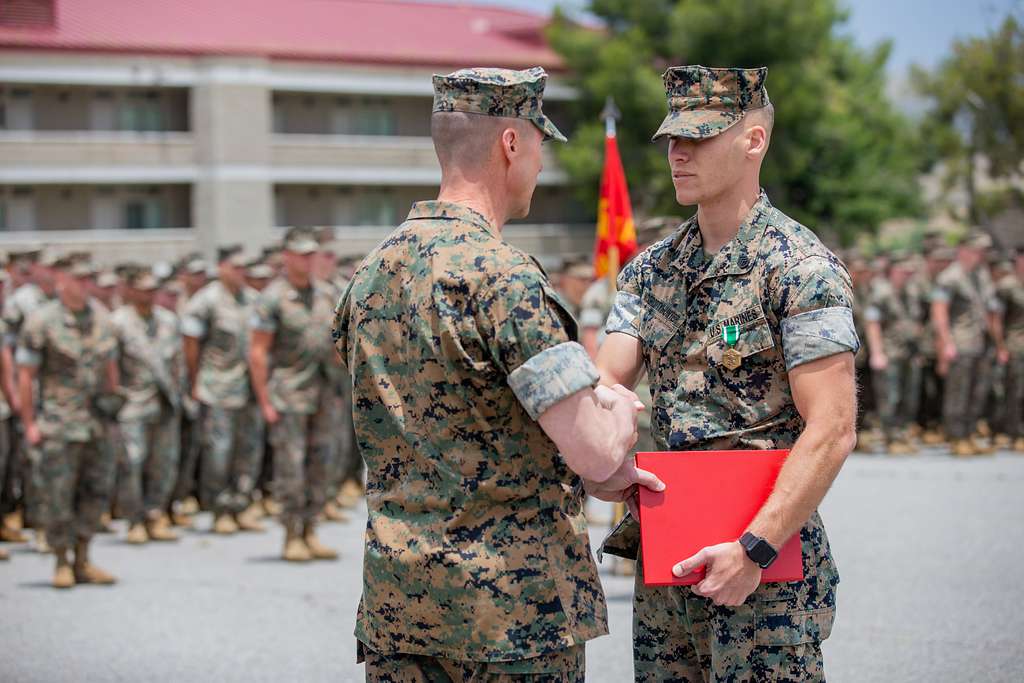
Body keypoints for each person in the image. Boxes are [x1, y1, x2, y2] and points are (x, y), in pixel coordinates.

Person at [333, 66, 658, 681]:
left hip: (402, 608)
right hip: (510, 615)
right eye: (539, 144)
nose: (541, 164)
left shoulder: (370, 274)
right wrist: (615, 409)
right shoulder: (504, 278)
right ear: (511, 143)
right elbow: (591, 451)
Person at [594, 65, 859, 682]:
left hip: (763, 568)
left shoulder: (799, 268)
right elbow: (608, 386)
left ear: (753, 141)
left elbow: (833, 428)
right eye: (672, 139)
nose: (678, 153)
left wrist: (754, 549)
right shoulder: (650, 269)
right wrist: (602, 459)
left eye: (699, 136)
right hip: (669, 561)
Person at [16, 258, 120, 588]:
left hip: (97, 423)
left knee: (95, 491)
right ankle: (61, 560)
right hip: (59, 422)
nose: (84, 284)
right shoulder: (41, 321)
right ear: (61, 279)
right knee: (58, 494)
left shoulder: (102, 318)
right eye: (78, 278)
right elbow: (26, 376)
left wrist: (114, 407)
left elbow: (110, 371)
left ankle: (84, 558)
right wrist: (30, 423)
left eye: (88, 277)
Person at [249, 228, 339, 563]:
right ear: (286, 256)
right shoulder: (273, 297)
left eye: (311, 253)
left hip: (323, 392)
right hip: (288, 395)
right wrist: (265, 401)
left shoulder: (326, 293)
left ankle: (311, 530)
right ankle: (291, 535)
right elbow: (258, 352)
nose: (308, 259)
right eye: (301, 254)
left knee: (320, 465)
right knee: (291, 469)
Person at [182, 245, 264, 534]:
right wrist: (195, 382)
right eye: (236, 267)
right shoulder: (205, 301)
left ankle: (241, 505)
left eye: (244, 267)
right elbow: (190, 346)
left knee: (249, 450)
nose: (241, 272)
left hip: (250, 388)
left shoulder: (254, 300)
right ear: (221, 268)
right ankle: (219, 509)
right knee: (219, 451)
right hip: (218, 387)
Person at [111, 268, 184, 544]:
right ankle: (134, 519)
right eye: (143, 289)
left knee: (163, 462)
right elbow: (110, 367)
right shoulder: (118, 323)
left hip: (165, 402)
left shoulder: (167, 320)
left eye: (153, 289)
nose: (149, 295)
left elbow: (177, 363)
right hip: (132, 403)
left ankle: (155, 513)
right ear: (129, 291)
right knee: (132, 462)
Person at [931, 233, 1006, 456]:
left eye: (982, 251)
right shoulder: (949, 277)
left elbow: (992, 312)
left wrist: (999, 345)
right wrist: (946, 343)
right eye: (976, 250)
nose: (980, 255)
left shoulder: (980, 275)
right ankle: (956, 437)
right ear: (963, 250)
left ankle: (970, 432)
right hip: (961, 342)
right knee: (958, 392)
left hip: (981, 343)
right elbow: (939, 312)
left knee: (978, 391)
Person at [864, 254, 924, 454]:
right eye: (903, 271)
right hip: (890, 353)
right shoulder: (882, 294)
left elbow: (917, 322)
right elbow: (873, 324)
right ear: (892, 272)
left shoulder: (912, 293)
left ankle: (903, 433)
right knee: (890, 397)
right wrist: (877, 352)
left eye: (909, 272)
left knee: (910, 395)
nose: (907, 275)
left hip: (909, 353)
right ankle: (891, 437)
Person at [996, 248, 1024, 452]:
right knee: (1016, 392)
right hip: (1015, 347)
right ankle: (1015, 433)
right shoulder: (1007, 286)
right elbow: (995, 319)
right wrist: (1000, 346)